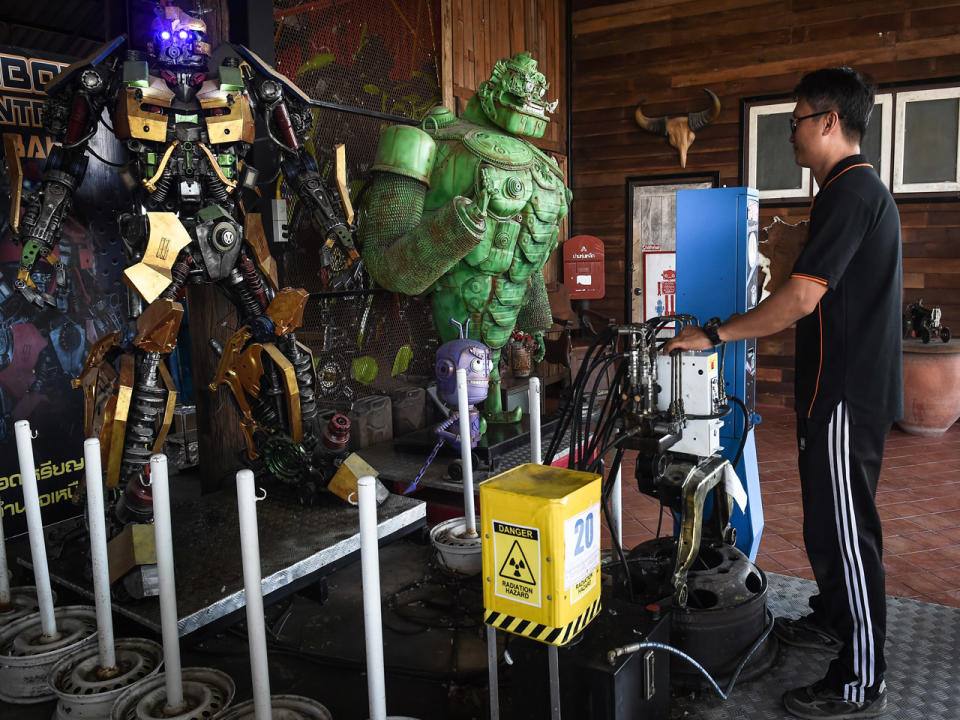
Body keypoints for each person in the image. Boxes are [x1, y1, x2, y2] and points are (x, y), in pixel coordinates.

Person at [663, 66, 902, 719]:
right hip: (838, 391)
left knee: (849, 532)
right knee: (828, 522)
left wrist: (714, 335)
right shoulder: (846, 193)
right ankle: (833, 617)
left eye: (797, 119)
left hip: (848, 396)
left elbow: (800, 297)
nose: (792, 132)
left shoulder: (851, 192)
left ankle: (862, 678)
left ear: (829, 121)